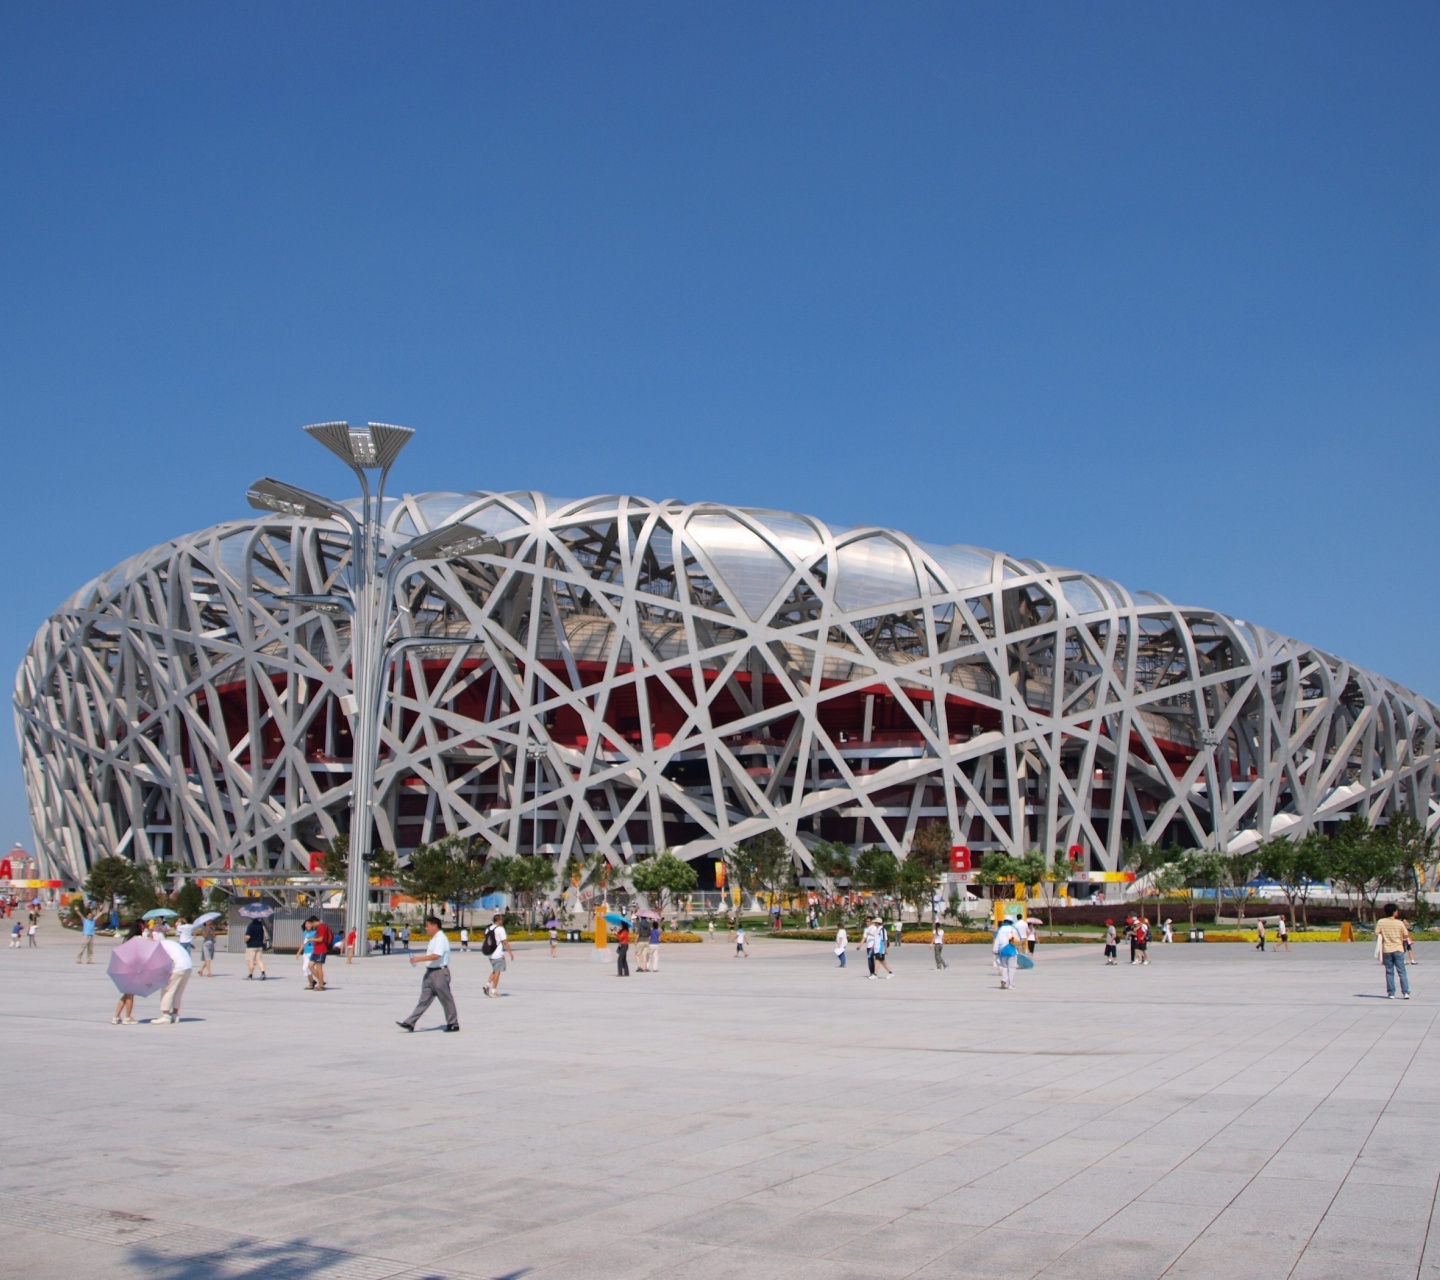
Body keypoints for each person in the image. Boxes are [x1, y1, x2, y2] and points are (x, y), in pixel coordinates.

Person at [396, 915, 459, 1032]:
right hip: (430, 973)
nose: (426, 928)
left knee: (446, 999)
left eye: (428, 926)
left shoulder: (441, 938)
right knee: (423, 1000)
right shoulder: (434, 939)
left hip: (439, 973)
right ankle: (410, 1022)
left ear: (435, 926)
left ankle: (453, 1023)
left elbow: (436, 955)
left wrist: (418, 959)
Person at [152, 928, 194, 1023]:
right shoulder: (170, 942)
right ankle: (175, 1014)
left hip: (178, 967)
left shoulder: (161, 945)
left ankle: (166, 1015)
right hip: (188, 966)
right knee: (178, 991)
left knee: (167, 990)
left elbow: (163, 962)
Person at [1375, 904, 1412, 1000]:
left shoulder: (1381, 922)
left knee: (1389, 972)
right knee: (1402, 972)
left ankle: (1391, 993)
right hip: (1398, 949)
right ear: (1394, 912)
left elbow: (1376, 933)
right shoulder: (1399, 923)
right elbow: (1406, 934)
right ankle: (1405, 992)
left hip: (1387, 950)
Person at [112, 921, 145, 1023]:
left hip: (124, 968)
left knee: (126, 994)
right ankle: (128, 1017)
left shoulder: (127, 939)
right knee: (130, 994)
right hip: (133, 969)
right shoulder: (139, 939)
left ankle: (116, 1017)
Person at [482, 913, 515, 996]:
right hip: (498, 954)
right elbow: (505, 942)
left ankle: (487, 985)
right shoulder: (500, 929)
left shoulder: (488, 928)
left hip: (490, 954)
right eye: (501, 919)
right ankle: (494, 991)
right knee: (497, 972)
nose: (502, 920)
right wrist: (510, 953)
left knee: (494, 970)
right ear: (499, 920)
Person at [993, 916, 1022, 989]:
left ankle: (1003, 980)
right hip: (1012, 950)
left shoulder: (1000, 929)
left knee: (1004, 967)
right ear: (1011, 922)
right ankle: (1011, 985)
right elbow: (1018, 940)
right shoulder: (1013, 929)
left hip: (1003, 951)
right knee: (1012, 968)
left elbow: (997, 941)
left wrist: (995, 950)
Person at [308, 915, 333, 990]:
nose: (312, 926)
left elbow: (321, 939)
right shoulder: (319, 927)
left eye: (312, 924)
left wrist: (311, 939)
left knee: (319, 968)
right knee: (310, 966)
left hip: (321, 950)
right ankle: (321, 981)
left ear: (315, 922)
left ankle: (321, 985)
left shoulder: (322, 927)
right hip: (316, 950)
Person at [299, 920, 317, 988]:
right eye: (306, 924)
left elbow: (319, 940)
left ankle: (313, 983)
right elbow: (303, 943)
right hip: (306, 953)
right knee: (305, 968)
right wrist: (298, 952)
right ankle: (312, 982)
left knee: (307, 968)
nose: (308, 925)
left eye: (309, 924)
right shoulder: (304, 933)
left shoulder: (315, 932)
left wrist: (311, 939)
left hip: (312, 952)